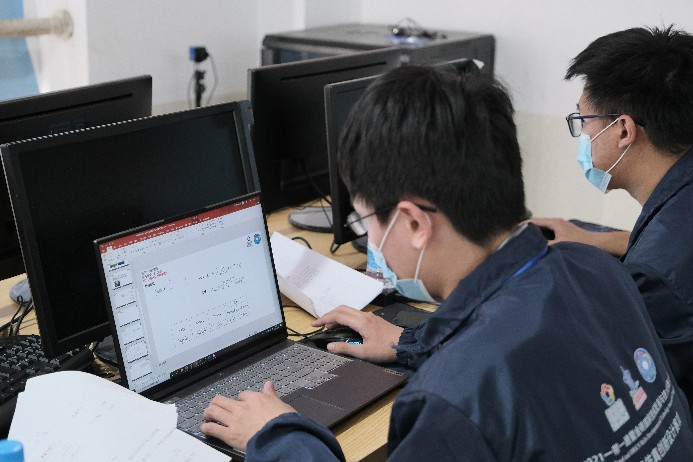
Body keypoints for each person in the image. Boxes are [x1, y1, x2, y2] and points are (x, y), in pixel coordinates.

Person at [200, 65, 693, 460]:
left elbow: (484, 377)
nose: (371, 237)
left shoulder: (448, 405)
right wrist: (409, 343)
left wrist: (277, 434)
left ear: (414, 223)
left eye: (367, 219)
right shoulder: (595, 269)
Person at [529, 26, 693, 407]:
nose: (583, 136)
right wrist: (594, 240)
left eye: (584, 121)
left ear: (623, 130)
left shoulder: (655, 277)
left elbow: (594, 371)